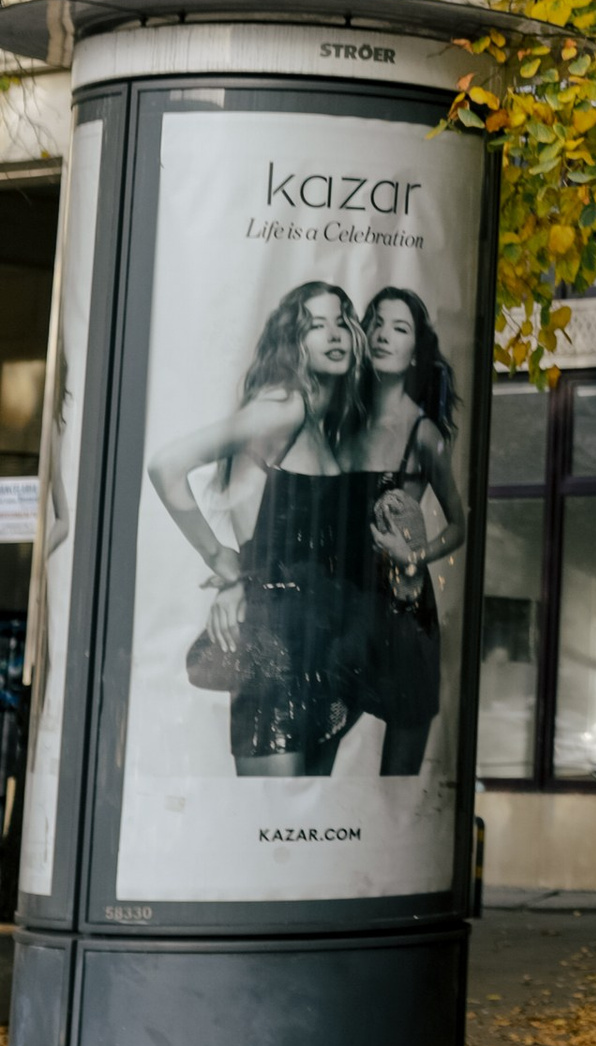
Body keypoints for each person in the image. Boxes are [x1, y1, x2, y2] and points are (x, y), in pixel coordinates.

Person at [148, 280, 376, 776]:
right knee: (270, 814)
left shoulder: (322, 417)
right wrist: (223, 563)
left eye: (341, 321)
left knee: (302, 818)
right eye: (316, 326)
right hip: (279, 643)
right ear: (293, 339)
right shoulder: (284, 407)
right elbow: (166, 466)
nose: (334, 335)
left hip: (324, 643)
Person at [355, 287, 471, 778]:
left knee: (398, 783)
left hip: (403, 606)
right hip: (342, 599)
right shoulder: (341, 421)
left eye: (399, 328)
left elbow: (459, 524)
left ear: (415, 351)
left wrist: (415, 554)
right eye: (376, 322)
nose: (383, 334)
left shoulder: (424, 435)